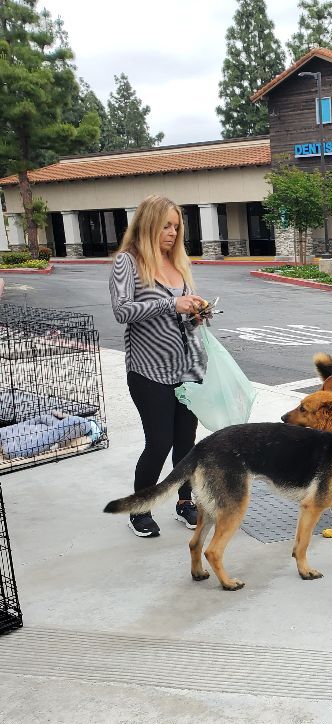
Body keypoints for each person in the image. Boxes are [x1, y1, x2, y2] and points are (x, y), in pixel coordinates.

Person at [109, 195, 208, 538]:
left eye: (176, 226)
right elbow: (121, 310)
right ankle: (139, 507)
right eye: (166, 225)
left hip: (186, 368)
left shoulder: (175, 262)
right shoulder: (127, 262)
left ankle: (184, 501)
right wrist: (171, 303)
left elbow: (180, 314)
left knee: (187, 440)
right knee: (160, 441)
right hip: (148, 370)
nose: (172, 232)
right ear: (148, 223)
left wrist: (196, 312)